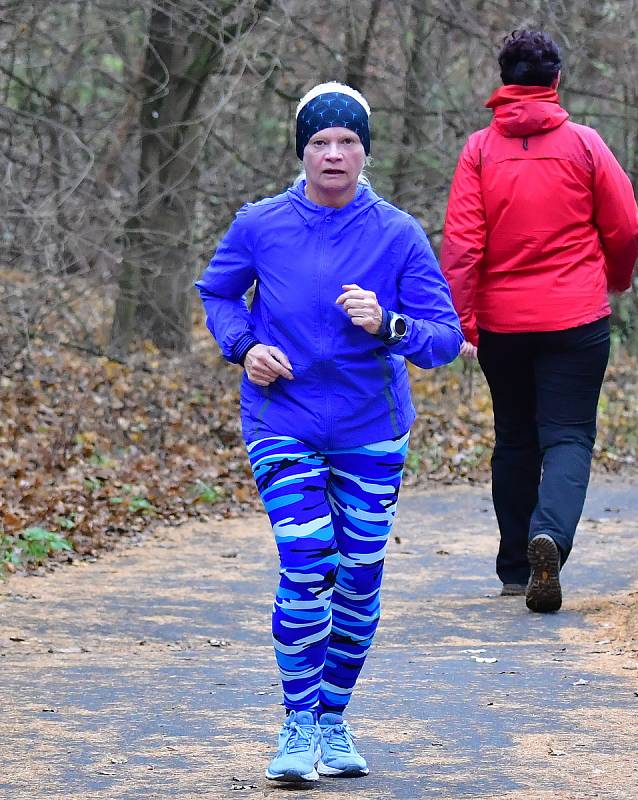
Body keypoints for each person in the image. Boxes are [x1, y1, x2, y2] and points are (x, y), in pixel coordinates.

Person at [195, 81, 462, 784]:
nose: (333, 153)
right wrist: (243, 346)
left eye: (347, 142)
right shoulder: (260, 224)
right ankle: (297, 724)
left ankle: (334, 717)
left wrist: (389, 324)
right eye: (320, 141)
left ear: (365, 153)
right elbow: (217, 292)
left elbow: (444, 337)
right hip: (280, 419)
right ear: (302, 151)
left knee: (359, 579)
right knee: (307, 562)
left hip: (370, 428)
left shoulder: (397, 234)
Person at [440, 30, 638, 613]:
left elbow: (460, 245)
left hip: (505, 323)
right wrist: (616, 279)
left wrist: (466, 322)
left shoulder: (479, 150)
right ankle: (549, 534)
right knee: (570, 435)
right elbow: (627, 229)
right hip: (577, 316)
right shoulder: (585, 145)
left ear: (504, 81)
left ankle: (512, 567)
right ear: (556, 80)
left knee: (515, 438)